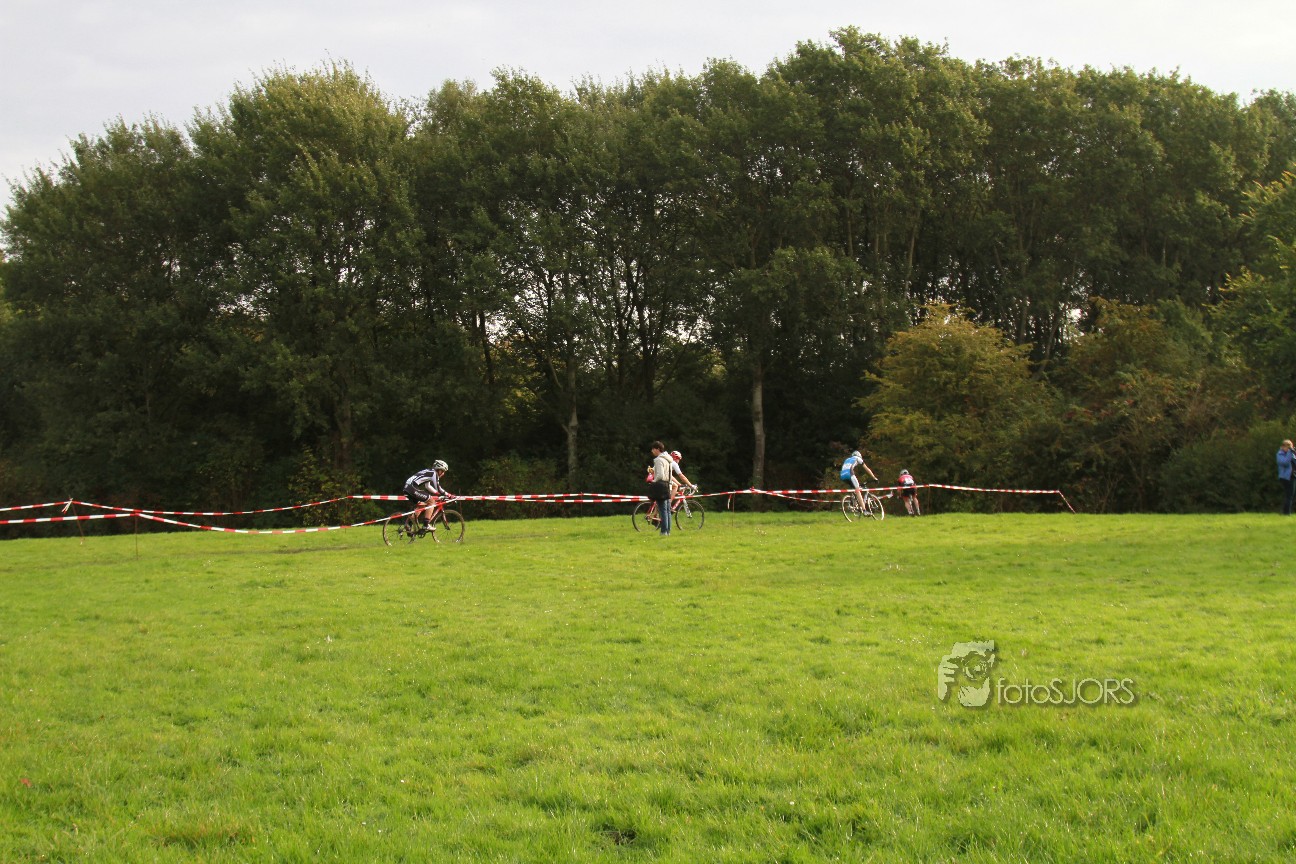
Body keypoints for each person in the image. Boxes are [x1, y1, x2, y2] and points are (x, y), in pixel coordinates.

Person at [403, 460, 451, 532]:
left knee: (421, 505)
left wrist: (437, 493)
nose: (443, 474)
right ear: (439, 470)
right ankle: (426, 525)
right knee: (432, 502)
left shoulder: (429, 472)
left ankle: (409, 525)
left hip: (407, 489)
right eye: (443, 471)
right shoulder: (434, 474)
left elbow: (428, 486)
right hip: (412, 488)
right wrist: (449, 495)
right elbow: (438, 488)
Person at [647, 441, 674, 535]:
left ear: (658, 449)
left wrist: (653, 481)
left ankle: (663, 531)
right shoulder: (668, 459)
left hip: (660, 486)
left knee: (662, 510)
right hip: (668, 485)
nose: (652, 451)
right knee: (667, 510)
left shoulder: (658, 460)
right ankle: (668, 531)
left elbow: (660, 475)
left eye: (653, 449)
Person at [1279, 440, 1295, 516]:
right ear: (1283, 447)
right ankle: (1287, 512)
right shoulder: (1280, 454)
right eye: (1287, 447)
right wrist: (1289, 453)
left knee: (1290, 495)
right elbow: (1284, 462)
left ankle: (1285, 511)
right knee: (1289, 494)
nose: (1289, 449)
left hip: (1293, 476)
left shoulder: (1292, 454)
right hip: (1286, 476)